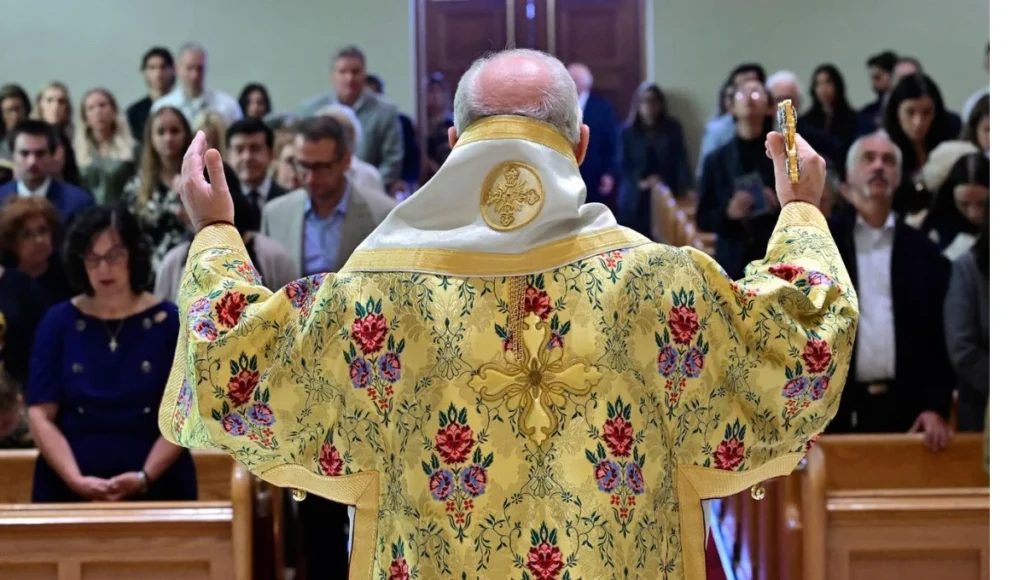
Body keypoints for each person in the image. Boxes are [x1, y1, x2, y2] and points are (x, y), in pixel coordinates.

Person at [160, 48, 857, 579]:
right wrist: (798, 210)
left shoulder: (378, 291)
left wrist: (217, 231)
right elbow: (801, 347)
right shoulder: (658, 283)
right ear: (580, 149)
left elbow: (235, 363)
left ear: (456, 148)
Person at [28, 205, 196, 502]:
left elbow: (184, 413)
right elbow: (40, 414)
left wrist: (146, 477)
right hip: (69, 486)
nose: (104, 268)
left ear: (134, 255)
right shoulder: (57, 323)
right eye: (93, 258)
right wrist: (75, 479)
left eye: (115, 255)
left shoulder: (170, 321)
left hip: (157, 484)